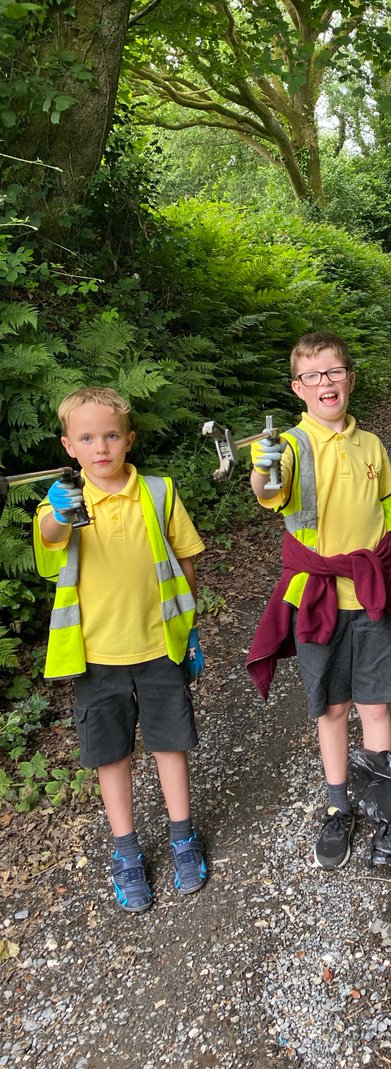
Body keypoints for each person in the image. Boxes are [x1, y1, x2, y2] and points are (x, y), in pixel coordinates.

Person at [246, 332, 391, 871]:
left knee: (375, 705)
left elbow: (390, 528)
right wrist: (263, 465)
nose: (324, 382)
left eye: (333, 372)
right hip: (318, 599)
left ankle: (383, 806)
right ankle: (336, 805)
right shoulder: (291, 447)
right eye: (312, 375)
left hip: (373, 597)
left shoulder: (372, 445)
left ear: (350, 378)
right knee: (332, 707)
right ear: (297, 388)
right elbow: (266, 491)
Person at [34, 388, 207, 913]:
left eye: (111, 434)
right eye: (87, 437)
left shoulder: (157, 491)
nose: (101, 446)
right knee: (112, 756)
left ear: (129, 439)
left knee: (169, 745)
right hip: (95, 657)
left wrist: (191, 631)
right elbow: (47, 538)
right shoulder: (62, 502)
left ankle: (183, 839)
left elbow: (186, 560)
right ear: (69, 445)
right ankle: (127, 854)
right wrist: (61, 512)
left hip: (159, 646)